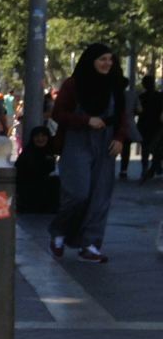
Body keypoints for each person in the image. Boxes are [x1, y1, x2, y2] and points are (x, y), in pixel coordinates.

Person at [49, 42, 130, 263]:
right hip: (77, 141)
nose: (107, 63)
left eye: (110, 59)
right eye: (102, 59)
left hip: (106, 143)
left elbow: (122, 115)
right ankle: (59, 231)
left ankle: (90, 244)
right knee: (78, 192)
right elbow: (58, 113)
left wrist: (120, 138)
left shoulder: (115, 85)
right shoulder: (73, 85)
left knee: (100, 196)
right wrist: (86, 120)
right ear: (91, 61)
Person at [15, 126, 60, 215]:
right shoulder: (27, 155)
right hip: (29, 198)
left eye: (43, 136)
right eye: (37, 136)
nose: (40, 139)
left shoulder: (49, 152)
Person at [136, 74, 161, 182]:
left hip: (144, 125)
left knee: (145, 148)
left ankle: (145, 167)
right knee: (157, 148)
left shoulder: (141, 97)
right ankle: (154, 167)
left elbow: (137, 111)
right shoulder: (159, 96)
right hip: (157, 125)